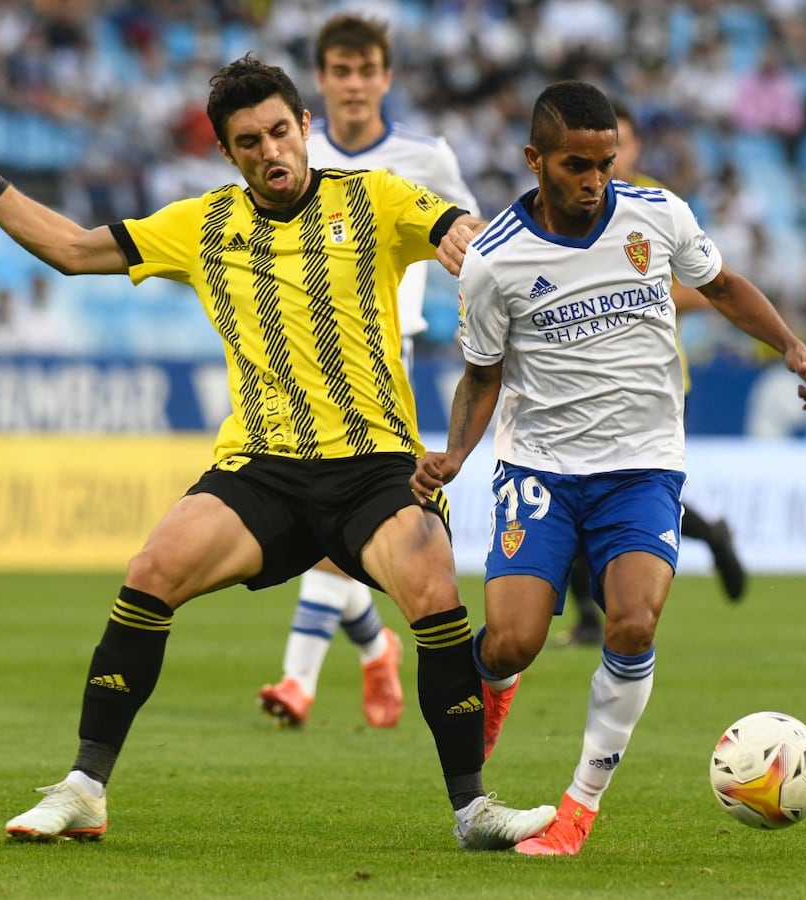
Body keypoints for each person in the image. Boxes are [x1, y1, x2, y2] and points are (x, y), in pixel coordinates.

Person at [0, 54, 556, 850]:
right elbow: (77, 251)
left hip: (374, 466)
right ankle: (84, 788)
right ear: (228, 152)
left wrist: (463, 233)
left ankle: (473, 809)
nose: (270, 151)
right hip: (261, 469)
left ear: (306, 128)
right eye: (249, 141)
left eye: (281, 131)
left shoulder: (376, 197)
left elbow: (451, 224)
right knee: (151, 571)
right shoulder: (202, 224)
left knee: (430, 582)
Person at [411, 81, 806, 856]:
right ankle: (494, 687)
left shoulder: (657, 215)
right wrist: (456, 455)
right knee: (511, 643)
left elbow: (723, 286)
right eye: (575, 164)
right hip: (538, 467)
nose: (594, 179)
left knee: (632, 621)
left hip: (642, 467)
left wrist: (791, 346)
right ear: (535, 159)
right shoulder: (494, 261)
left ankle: (578, 810)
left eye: (603, 162)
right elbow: (483, 371)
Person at [258, 13, 481, 730]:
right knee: (325, 528)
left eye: (367, 71)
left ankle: (297, 681)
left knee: (332, 512)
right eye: (341, 72)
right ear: (320, 81)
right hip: (293, 364)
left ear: (386, 77)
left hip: (387, 359)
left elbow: (473, 249)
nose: (354, 85)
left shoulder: (426, 157)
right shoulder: (292, 147)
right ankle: (376, 646)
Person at [556, 99, 746, 648]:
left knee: (631, 492)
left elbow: (709, 288)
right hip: (577, 375)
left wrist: (640, 293)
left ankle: (706, 534)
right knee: (572, 484)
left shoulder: (656, 207)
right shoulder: (568, 204)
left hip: (656, 381)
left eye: (628, 144)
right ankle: (592, 619)